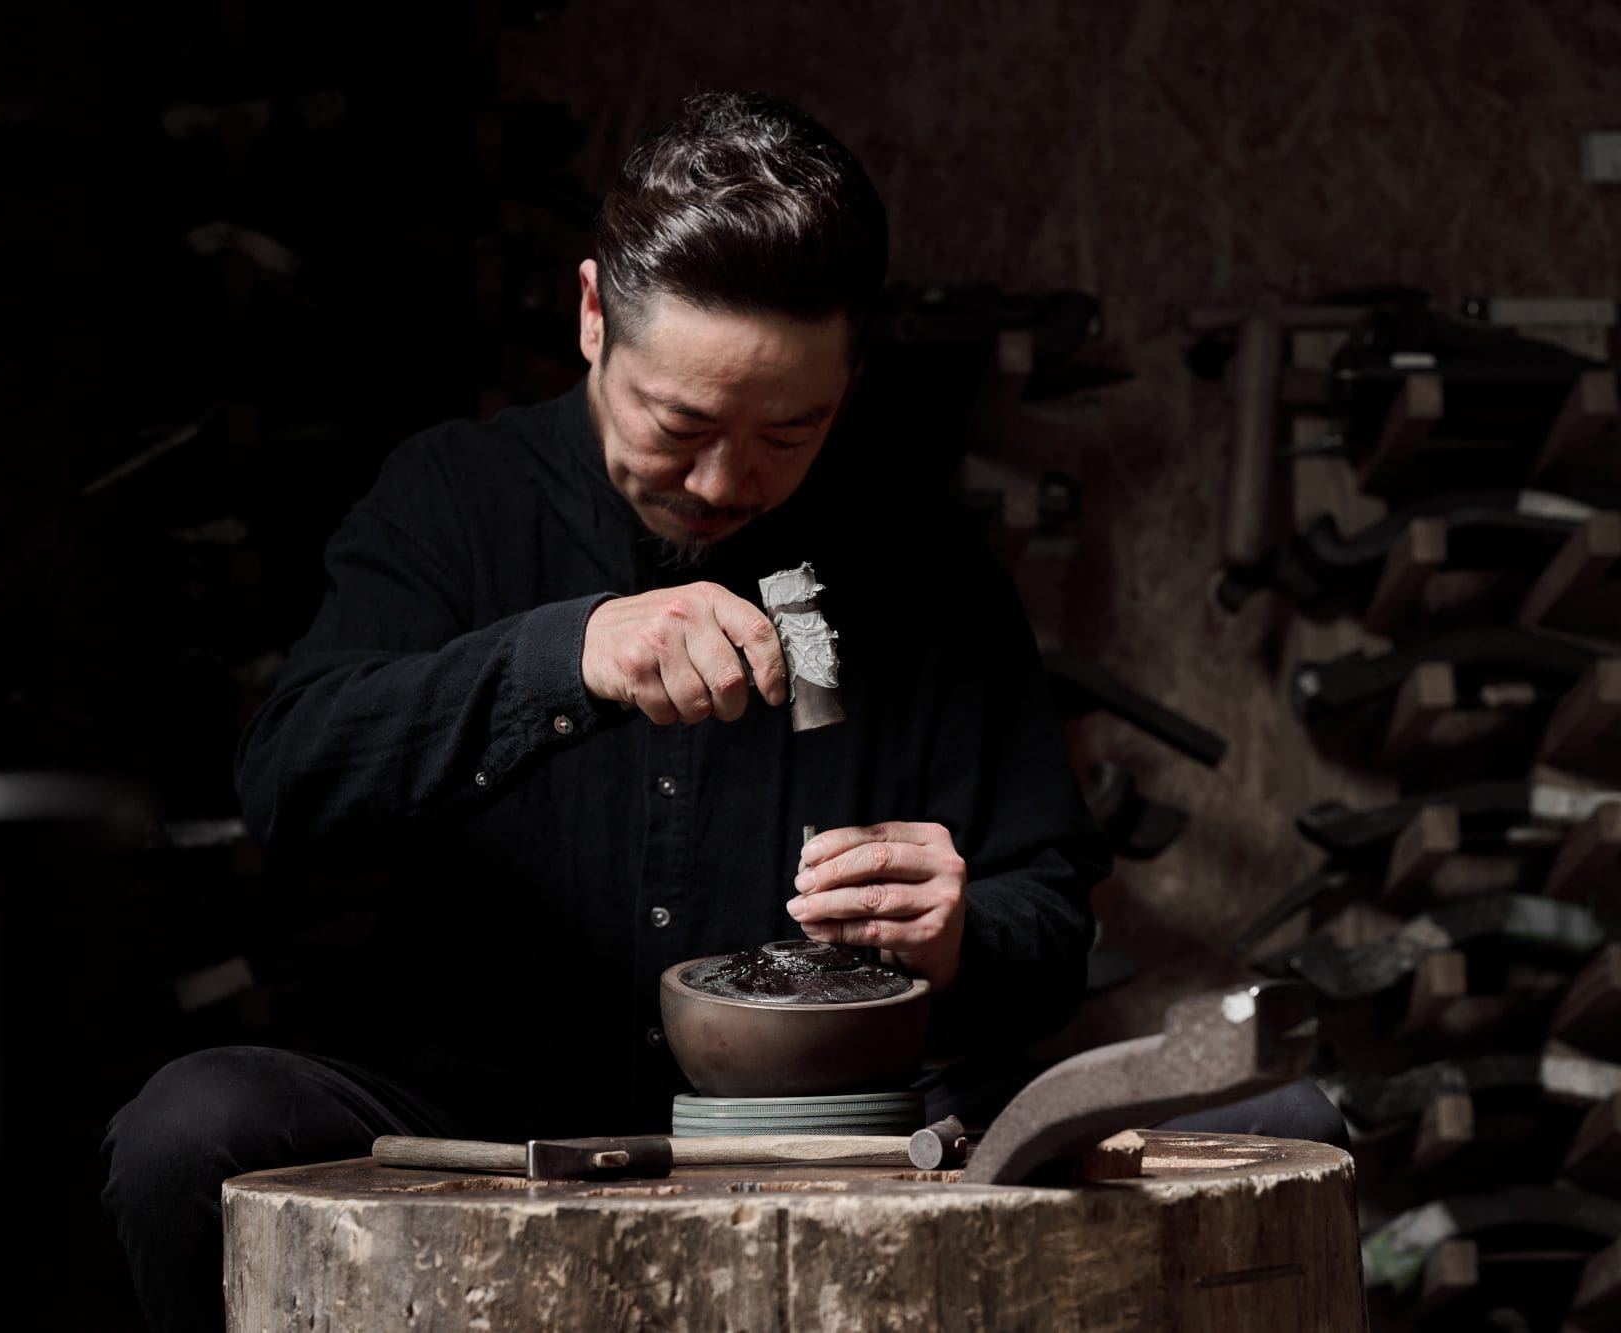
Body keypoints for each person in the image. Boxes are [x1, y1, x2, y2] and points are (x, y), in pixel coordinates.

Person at [101, 91, 1341, 1333]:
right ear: (592, 317)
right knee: (190, 1127)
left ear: (848, 379)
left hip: (849, 1134)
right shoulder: (453, 498)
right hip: (477, 1117)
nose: (722, 483)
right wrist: (555, 656)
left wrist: (958, 935)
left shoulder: (918, 562)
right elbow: (290, 783)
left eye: (786, 432)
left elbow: (1044, 906)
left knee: (1284, 1122)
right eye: (677, 424)